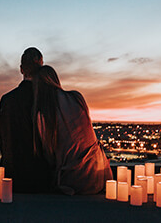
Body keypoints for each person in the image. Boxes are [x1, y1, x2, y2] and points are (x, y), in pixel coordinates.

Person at [32, 65, 112, 195]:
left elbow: (49, 156)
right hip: (101, 174)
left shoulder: (44, 115)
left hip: (75, 181)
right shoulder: (77, 97)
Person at [0, 47, 51, 192]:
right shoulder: (47, 99)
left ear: (21, 69)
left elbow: (3, 141)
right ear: (42, 68)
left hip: (11, 176)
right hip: (41, 178)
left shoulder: (6, 100)